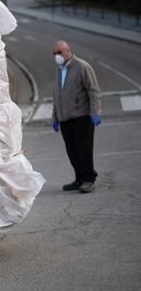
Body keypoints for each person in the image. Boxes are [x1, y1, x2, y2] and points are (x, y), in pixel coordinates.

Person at [51, 40, 101, 193]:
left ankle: (88, 180)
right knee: (72, 151)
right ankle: (79, 178)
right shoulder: (59, 70)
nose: (56, 56)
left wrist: (95, 112)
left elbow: (93, 91)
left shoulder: (82, 67)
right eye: (54, 54)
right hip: (66, 119)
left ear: (68, 51)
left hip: (82, 117)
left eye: (59, 52)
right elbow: (57, 96)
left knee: (84, 150)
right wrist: (55, 117)